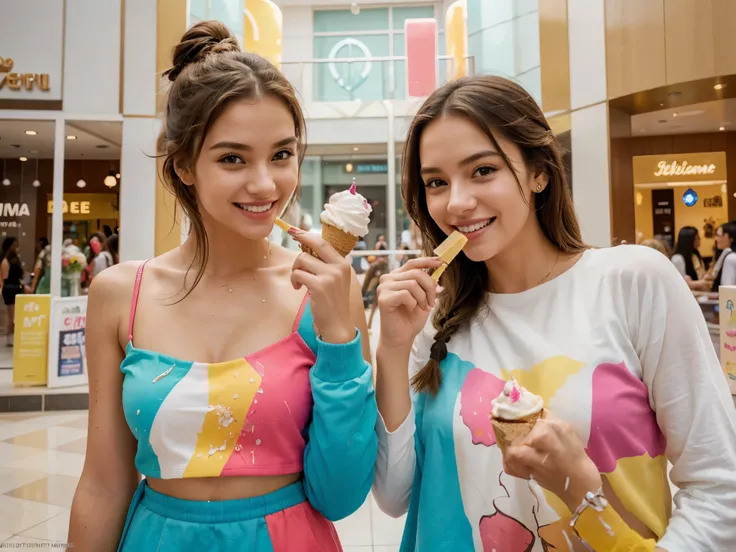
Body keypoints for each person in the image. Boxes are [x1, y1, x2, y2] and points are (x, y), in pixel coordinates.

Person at [372, 75, 736, 551]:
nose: (457, 202)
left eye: (483, 171)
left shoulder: (632, 282)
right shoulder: (435, 319)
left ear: (539, 171)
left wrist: (579, 488)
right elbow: (396, 496)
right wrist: (392, 353)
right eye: (436, 182)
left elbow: (719, 486)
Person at [68, 21, 376, 552]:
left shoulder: (323, 289)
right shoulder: (121, 294)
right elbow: (103, 482)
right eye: (233, 158)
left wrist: (339, 339)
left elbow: (341, 494)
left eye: (281, 155)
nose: (265, 184)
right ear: (185, 164)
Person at [1, 237, 28, 346]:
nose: (16, 247)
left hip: (14, 287)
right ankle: (9, 337)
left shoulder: (14, 259)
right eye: (15, 245)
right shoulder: (7, 260)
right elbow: (5, 276)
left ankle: (11, 336)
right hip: (10, 288)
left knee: (13, 314)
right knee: (12, 315)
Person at [671, 226, 710, 291]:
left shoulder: (695, 255)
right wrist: (701, 283)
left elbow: (701, 275)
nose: (700, 239)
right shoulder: (677, 259)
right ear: (690, 240)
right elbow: (680, 284)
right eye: (697, 238)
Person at [710, 222, 736, 289]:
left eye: (718, 235)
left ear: (731, 238)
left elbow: (727, 290)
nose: (716, 239)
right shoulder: (728, 253)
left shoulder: (731, 258)